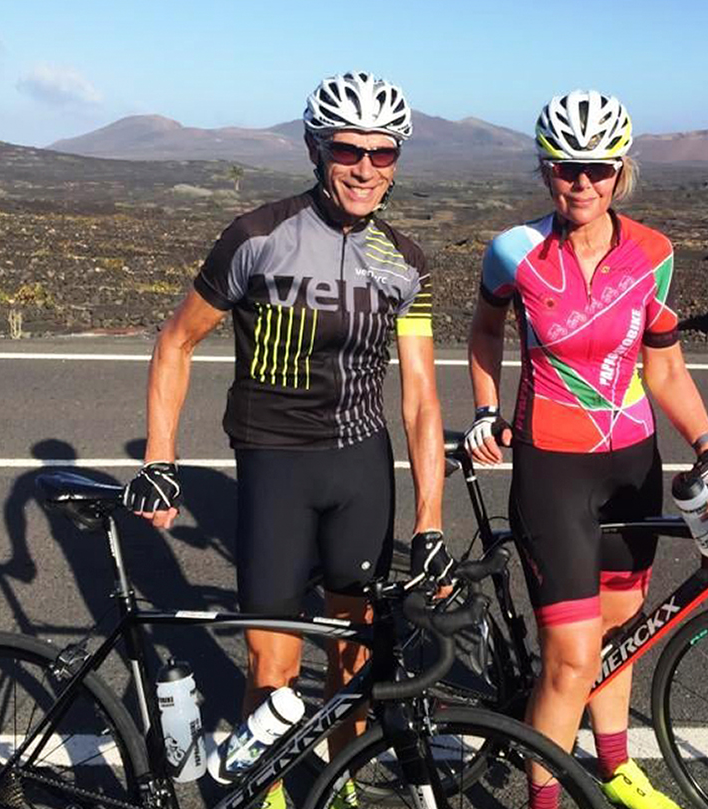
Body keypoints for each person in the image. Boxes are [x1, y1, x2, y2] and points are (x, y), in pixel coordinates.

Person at [124, 71, 444, 808]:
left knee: (357, 647)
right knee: (272, 656)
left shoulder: (407, 263)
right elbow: (175, 343)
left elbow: (422, 397)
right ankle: (262, 786)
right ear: (315, 147)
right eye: (347, 148)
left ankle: (342, 781)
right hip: (274, 463)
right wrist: (160, 460)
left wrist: (431, 517)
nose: (365, 166)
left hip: (361, 465)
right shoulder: (256, 237)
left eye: (383, 151)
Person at [465, 89, 708, 809]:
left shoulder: (654, 253)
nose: (581, 182)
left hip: (632, 464)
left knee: (621, 634)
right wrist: (486, 408)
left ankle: (617, 765)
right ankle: (545, 801)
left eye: (598, 167)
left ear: (621, 171)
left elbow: (665, 367)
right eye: (565, 168)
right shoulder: (515, 251)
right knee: (569, 658)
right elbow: (485, 331)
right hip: (551, 467)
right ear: (544, 170)